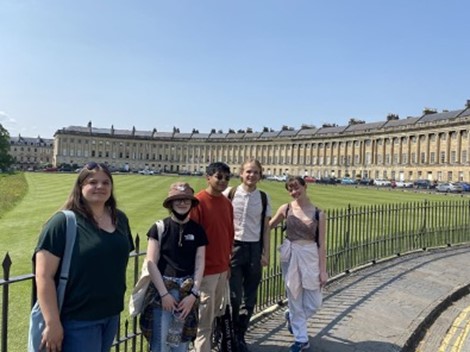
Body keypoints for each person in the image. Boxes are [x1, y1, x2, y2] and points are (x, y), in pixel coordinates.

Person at [32, 162, 134, 351]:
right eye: (92, 182)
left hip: (111, 314)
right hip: (77, 319)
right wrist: (52, 322)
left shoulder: (120, 219)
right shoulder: (62, 222)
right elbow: (44, 276)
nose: (100, 187)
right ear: (80, 187)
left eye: (106, 183)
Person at [144, 182, 208, 352]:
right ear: (170, 203)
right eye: (177, 199)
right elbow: (151, 262)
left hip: (187, 292)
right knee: (160, 345)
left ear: (191, 203)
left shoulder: (198, 230)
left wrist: (194, 294)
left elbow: (200, 262)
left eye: (186, 200)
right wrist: (164, 294)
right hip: (164, 290)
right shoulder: (159, 228)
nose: (182, 203)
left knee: (181, 345)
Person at [269, 176, 328, 352]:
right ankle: (301, 340)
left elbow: (322, 245)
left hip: (310, 256)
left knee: (314, 302)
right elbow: (268, 226)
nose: (294, 192)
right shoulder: (285, 208)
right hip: (291, 255)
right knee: (294, 296)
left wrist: (323, 271)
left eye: (296, 187)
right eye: (290, 189)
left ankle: (291, 316)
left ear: (305, 186)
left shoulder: (319, 213)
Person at [223, 159, 272, 352]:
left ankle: (240, 335)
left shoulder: (264, 197)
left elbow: (266, 228)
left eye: (256, 172)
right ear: (241, 173)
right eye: (248, 172)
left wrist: (266, 253)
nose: (252, 175)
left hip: (254, 248)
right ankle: (229, 334)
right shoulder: (230, 193)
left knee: (249, 297)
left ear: (260, 175)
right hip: (233, 247)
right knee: (234, 296)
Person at [190, 162, 235, 352]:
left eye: (226, 178)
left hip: (222, 270)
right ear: (208, 177)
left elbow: (229, 235)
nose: (223, 181)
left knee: (214, 316)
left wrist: (228, 265)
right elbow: (192, 240)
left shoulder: (226, 203)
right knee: (203, 324)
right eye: (219, 177)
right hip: (206, 272)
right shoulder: (198, 202)